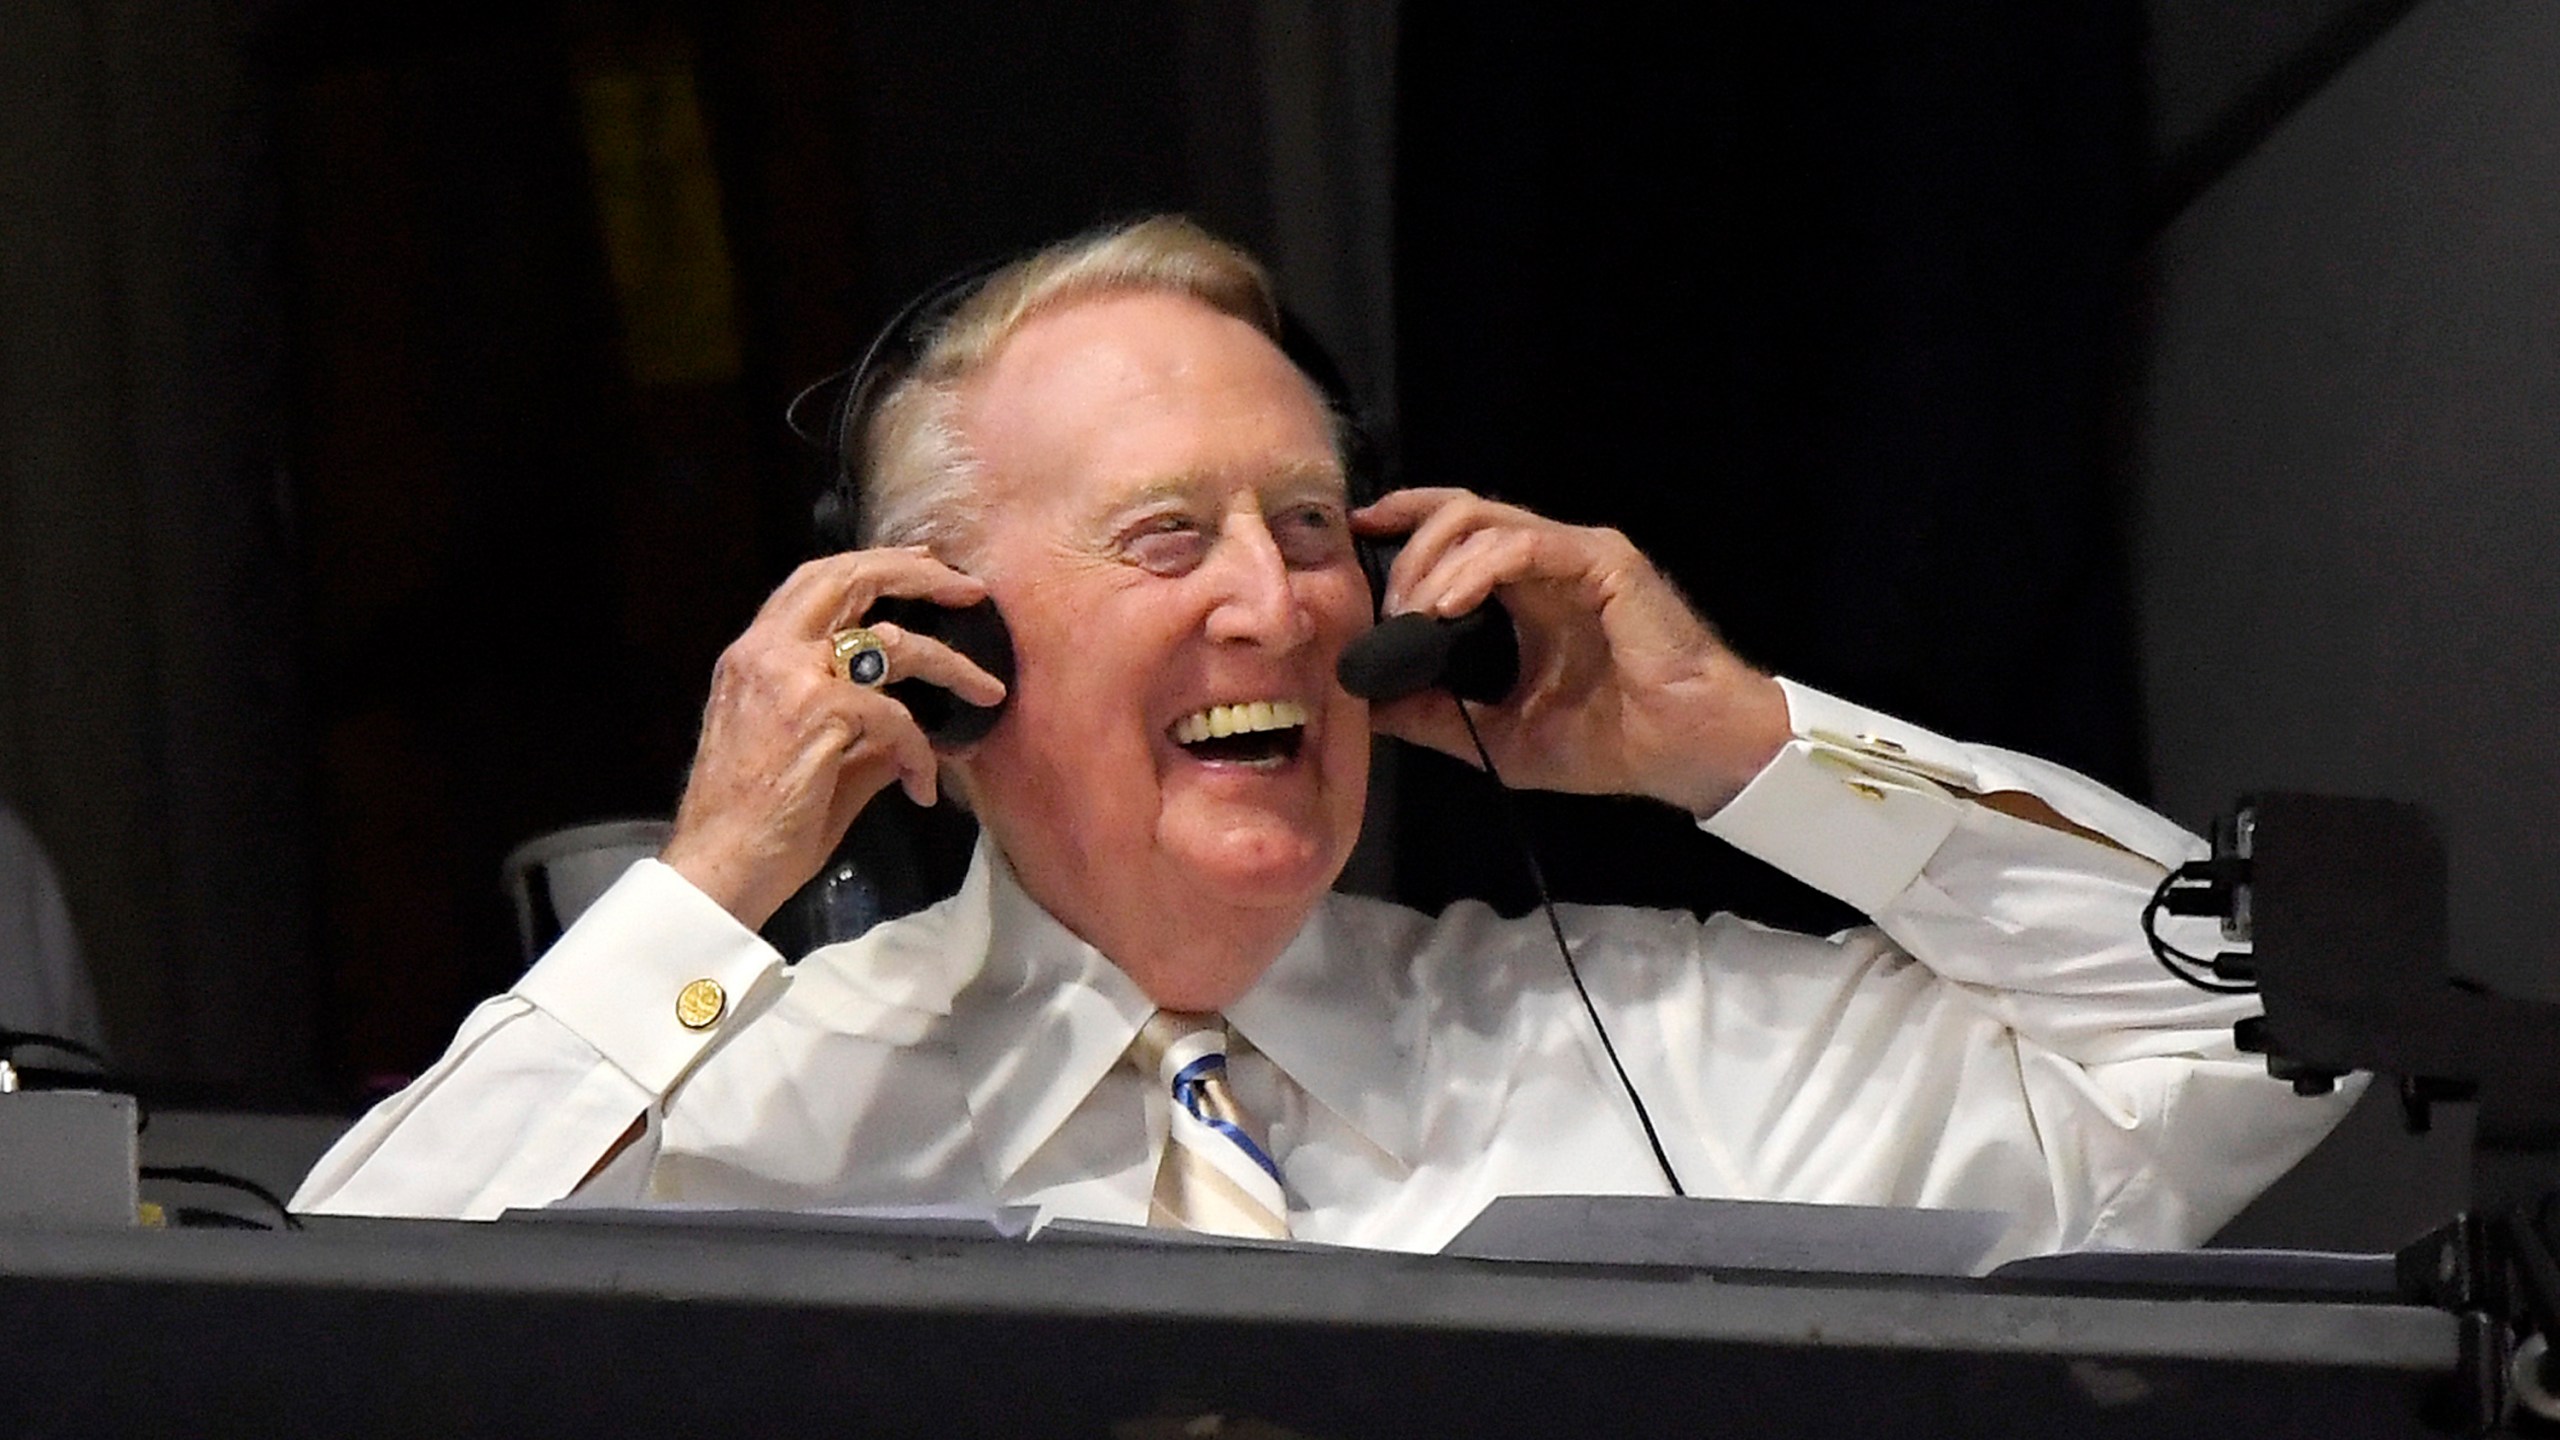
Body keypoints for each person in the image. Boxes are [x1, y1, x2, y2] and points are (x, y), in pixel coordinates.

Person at [292, 217, 2354, 1259]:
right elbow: (299, 1350)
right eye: (1163, 536)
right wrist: (715, 879)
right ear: (938, 635)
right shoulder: (761, 1113)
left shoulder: (1650, 1046)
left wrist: (1736, 742)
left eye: (1304, 527)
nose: (1273, 602)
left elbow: (2267, 1022)